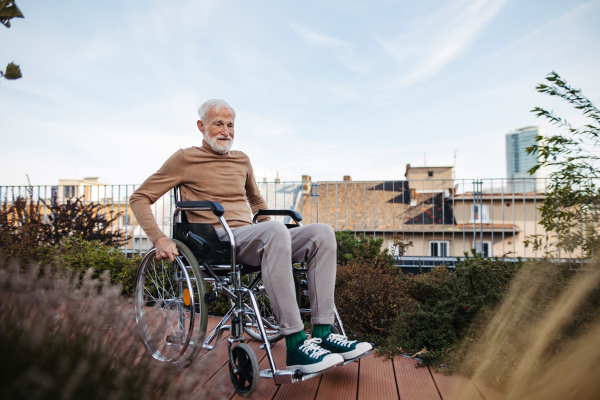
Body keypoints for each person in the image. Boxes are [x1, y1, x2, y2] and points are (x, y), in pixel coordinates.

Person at [130, 99, 372, 373]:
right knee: (275, 232)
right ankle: (295, 344)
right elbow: (139, 197)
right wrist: (159, 238)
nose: (226, 131)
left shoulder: (242, 159)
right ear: (201, 127)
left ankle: (324, 333)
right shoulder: (184, 159)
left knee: (322, 234)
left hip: (250, 236)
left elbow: (255, 199)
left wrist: (274, 229)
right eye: (218, 124)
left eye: (230, 125)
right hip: (216, 240)